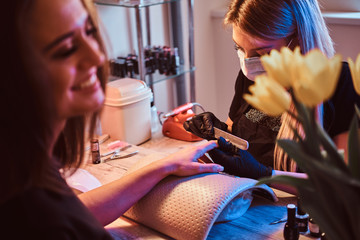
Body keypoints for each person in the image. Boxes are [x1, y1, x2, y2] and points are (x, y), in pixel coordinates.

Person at [0, 0, 224, 238]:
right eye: (67, 48)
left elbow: (79, 211)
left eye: (89, 31)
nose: (96, 57)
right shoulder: (34, 215)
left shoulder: (26, 166)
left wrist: (164, 166)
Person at [184, 0, 360, 192]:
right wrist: (218, 133)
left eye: (263, 53)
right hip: (247, 199)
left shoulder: (342, 84)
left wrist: (264, 175)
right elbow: (237, 137)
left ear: (298, 41)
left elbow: (344, 186)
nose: (248, 64)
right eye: (239, 49)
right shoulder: (252, 77)